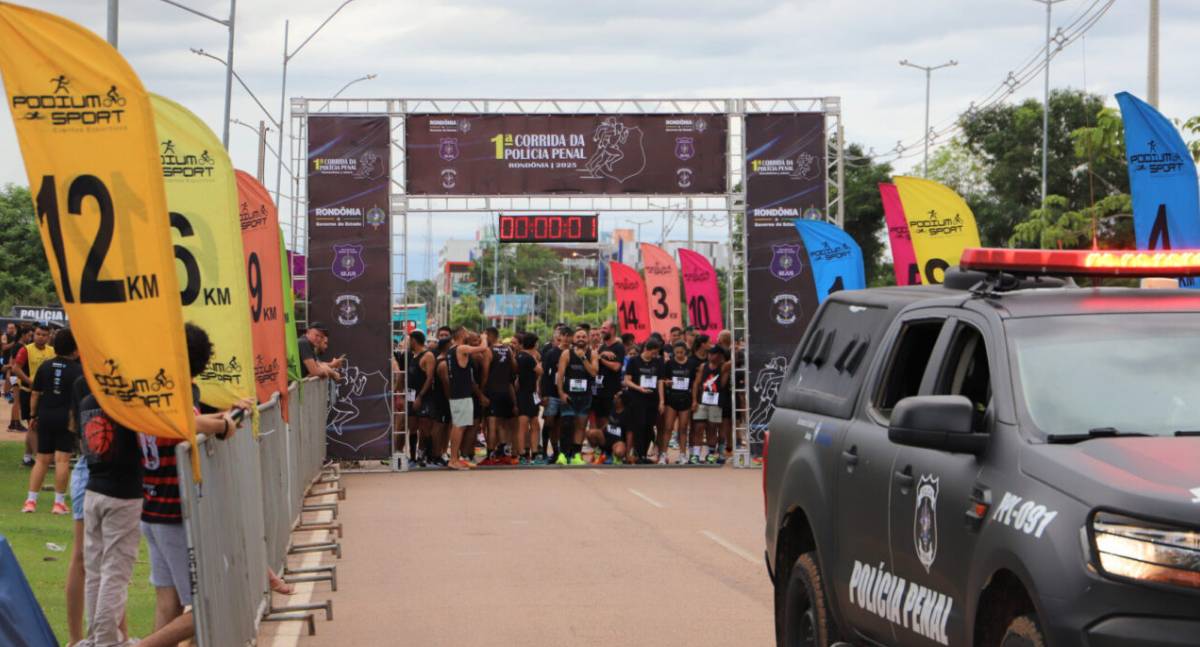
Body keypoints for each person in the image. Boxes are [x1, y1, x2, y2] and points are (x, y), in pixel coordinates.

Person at [136, 323, 252, 646]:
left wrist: (227, 419)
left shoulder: (155, 388)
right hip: (174, 511)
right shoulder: (173, 392)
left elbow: (191, 424)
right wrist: (224, 423)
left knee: (168, 603)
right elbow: (187, 423)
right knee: (205, 603)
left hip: (155, 508)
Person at [72, 356, 143, 647]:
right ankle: (105, 640)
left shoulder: (88, 400)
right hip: (122, 494)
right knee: (114, 572)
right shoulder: (126, 402)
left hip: (94, 490)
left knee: (96, 570)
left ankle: (96, 637)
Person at [23, 328, 82, 514]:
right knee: (62, 460)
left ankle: (30, 501)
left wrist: (33, 416)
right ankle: (58, 503)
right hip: (66, 418)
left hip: (45, 416)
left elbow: (35, 394)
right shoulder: (78, 370)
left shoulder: (45, 366)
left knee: (41, 459)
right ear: (75, 349)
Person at [445, 327, 489, 470]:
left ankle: (455, 458)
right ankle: (453, 459)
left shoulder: (451, 350)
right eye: (466, 331)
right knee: (459, 427)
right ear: (461, 334)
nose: (469, 333)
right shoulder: (461, 348)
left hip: (456, 393)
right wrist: (484, 337)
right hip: (462, 394)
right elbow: (483, 348)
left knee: (458, 426)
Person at [555, 328, 597, 465]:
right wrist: (561, 393)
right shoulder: (566, 353)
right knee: (566, 424)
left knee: (580, 426)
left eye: (584, 337)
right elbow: (560, 376)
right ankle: (563, 454)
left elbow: (594, 373)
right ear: (574, 339)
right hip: (569, 395)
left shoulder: (593, 354)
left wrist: (584, 358)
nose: (581, 339)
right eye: (578, 336)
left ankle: (576, 455)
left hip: (585, 396)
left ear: (588, 339)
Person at [13, 323, 54, 466]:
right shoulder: (26, 350)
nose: (41, 337)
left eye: (44, 335)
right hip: (28, 392)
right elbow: (16, 368)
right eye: (38, 334)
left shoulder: (52, 351)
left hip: (45, 393)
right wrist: (30, 382)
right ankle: (39, 459)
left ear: (49, 337)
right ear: (33, 335)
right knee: (33, 425)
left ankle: (27, 456)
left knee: (34, 426)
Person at [623, 338, 665, 463]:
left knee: (649, 426)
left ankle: (644, 454)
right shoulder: (634, 361)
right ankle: (638, 453)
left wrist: (661, 401)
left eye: (656, 353)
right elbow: (627, 380)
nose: (655, 355)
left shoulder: (658, 362)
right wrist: (639, 388)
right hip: (637, 398)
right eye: (653, 352)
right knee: (638, 425)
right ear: (646, 349)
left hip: (652, 399)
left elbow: (660, 382)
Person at [481, 327, 517, 465]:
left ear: (490, 336)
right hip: (506, 391)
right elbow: (514, 367)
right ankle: (505, 455)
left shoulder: (488, 351)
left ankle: (490, 456)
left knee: (492, 424)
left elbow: (485, 373)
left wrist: (482, 391)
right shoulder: (507, 349)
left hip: (493, 391)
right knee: (502, 424)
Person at [661, 342, 698, 466]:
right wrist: (667, 382)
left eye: (681, 352)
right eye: (677, 353)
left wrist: (694, 400)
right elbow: (664, 380)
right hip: (672, 398)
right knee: (668, 427)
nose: (679, 355)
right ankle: (663, 454)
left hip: (686, 398)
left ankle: (682, 455)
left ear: (685, 352)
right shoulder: (669, 364)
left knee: (683, 428)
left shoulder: (691, 364)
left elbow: (694, 384)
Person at [693, 346, 729, 464]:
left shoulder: (723, 366)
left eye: (713, 354)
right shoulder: (703, 366)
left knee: (712, 428)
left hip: (715, 402)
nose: (710, 356)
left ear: (719, 356)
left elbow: (734, 360)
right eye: (709, 354)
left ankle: (710, 453)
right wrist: (694, 401)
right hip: (702, 401)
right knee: (699, 427)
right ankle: (696, 454)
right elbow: (696, 384)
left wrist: (732, 348)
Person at [591, 320, 626, 444]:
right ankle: (602, 449)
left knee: (609, 422)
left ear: (612, 330)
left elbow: (616, 367)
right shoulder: (602, 347)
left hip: (611, 391)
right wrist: (599, 355)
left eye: (604, 328)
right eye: (601, 328)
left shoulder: (619, 346)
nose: (602, 330)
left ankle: (611, 448)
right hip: (599, 390)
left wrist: (601, 358)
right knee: (600, 420)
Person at [406, 331, 436, 466]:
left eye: (409, 340)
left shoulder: (428, 355)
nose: (408, 343)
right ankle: (412, 457)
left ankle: (428, 457)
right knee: (412, 427)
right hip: (411, 396)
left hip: (424, 398)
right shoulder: (412, 355)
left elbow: (430, 378)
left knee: (425, 429)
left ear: (414, 341)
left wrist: (420, 397)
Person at [514, 333, 542, 464]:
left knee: (534, 424)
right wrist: (536, 359)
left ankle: (531, 453)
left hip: (527, 394)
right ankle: (524, 454)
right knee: (525, 424)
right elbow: (540, 371)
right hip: (527, 394)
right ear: (535, 344)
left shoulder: (518, 356)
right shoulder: (528, 357)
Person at [538, 327, 565, 462]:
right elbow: (544, 376)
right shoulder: (549, 353)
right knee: (549, 422)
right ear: (553, 339)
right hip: (551, 394)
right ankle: (543, 451)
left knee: (559, 425)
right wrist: (544, 395)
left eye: (562, 338)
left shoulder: (570, 353)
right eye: (557, 339)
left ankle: (556, 451)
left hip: (564, 394)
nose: (559, 341)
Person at [587, 392, 628, 464]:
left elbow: (629, 434)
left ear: (621, 400)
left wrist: (628, 452)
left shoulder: (627, 414)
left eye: (617, 396)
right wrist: (600, 431)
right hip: (606, 438)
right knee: (591, 433)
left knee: (619, 452)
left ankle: (615, 457)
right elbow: (608, 422)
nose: (614, 396)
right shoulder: (612, 408)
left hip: (618, 441)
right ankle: (599, 453)